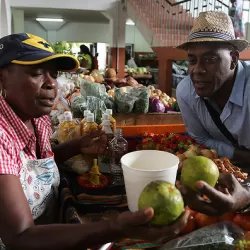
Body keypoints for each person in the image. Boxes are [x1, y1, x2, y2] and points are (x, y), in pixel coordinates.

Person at [0, 33, 189, 250]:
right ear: (2, 77)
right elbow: (21, 237)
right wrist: (114, 228)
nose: (51, 84)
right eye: (37, 73)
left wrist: (75, 146)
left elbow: (31, 168)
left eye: (53, 74)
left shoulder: (36, 118)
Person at [176, 11, 250, 164]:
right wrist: (240, 156)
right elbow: (201, 138)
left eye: (210, 59)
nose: (197, 70)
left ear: (234, 59)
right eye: (192, 60)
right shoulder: (186, 92)